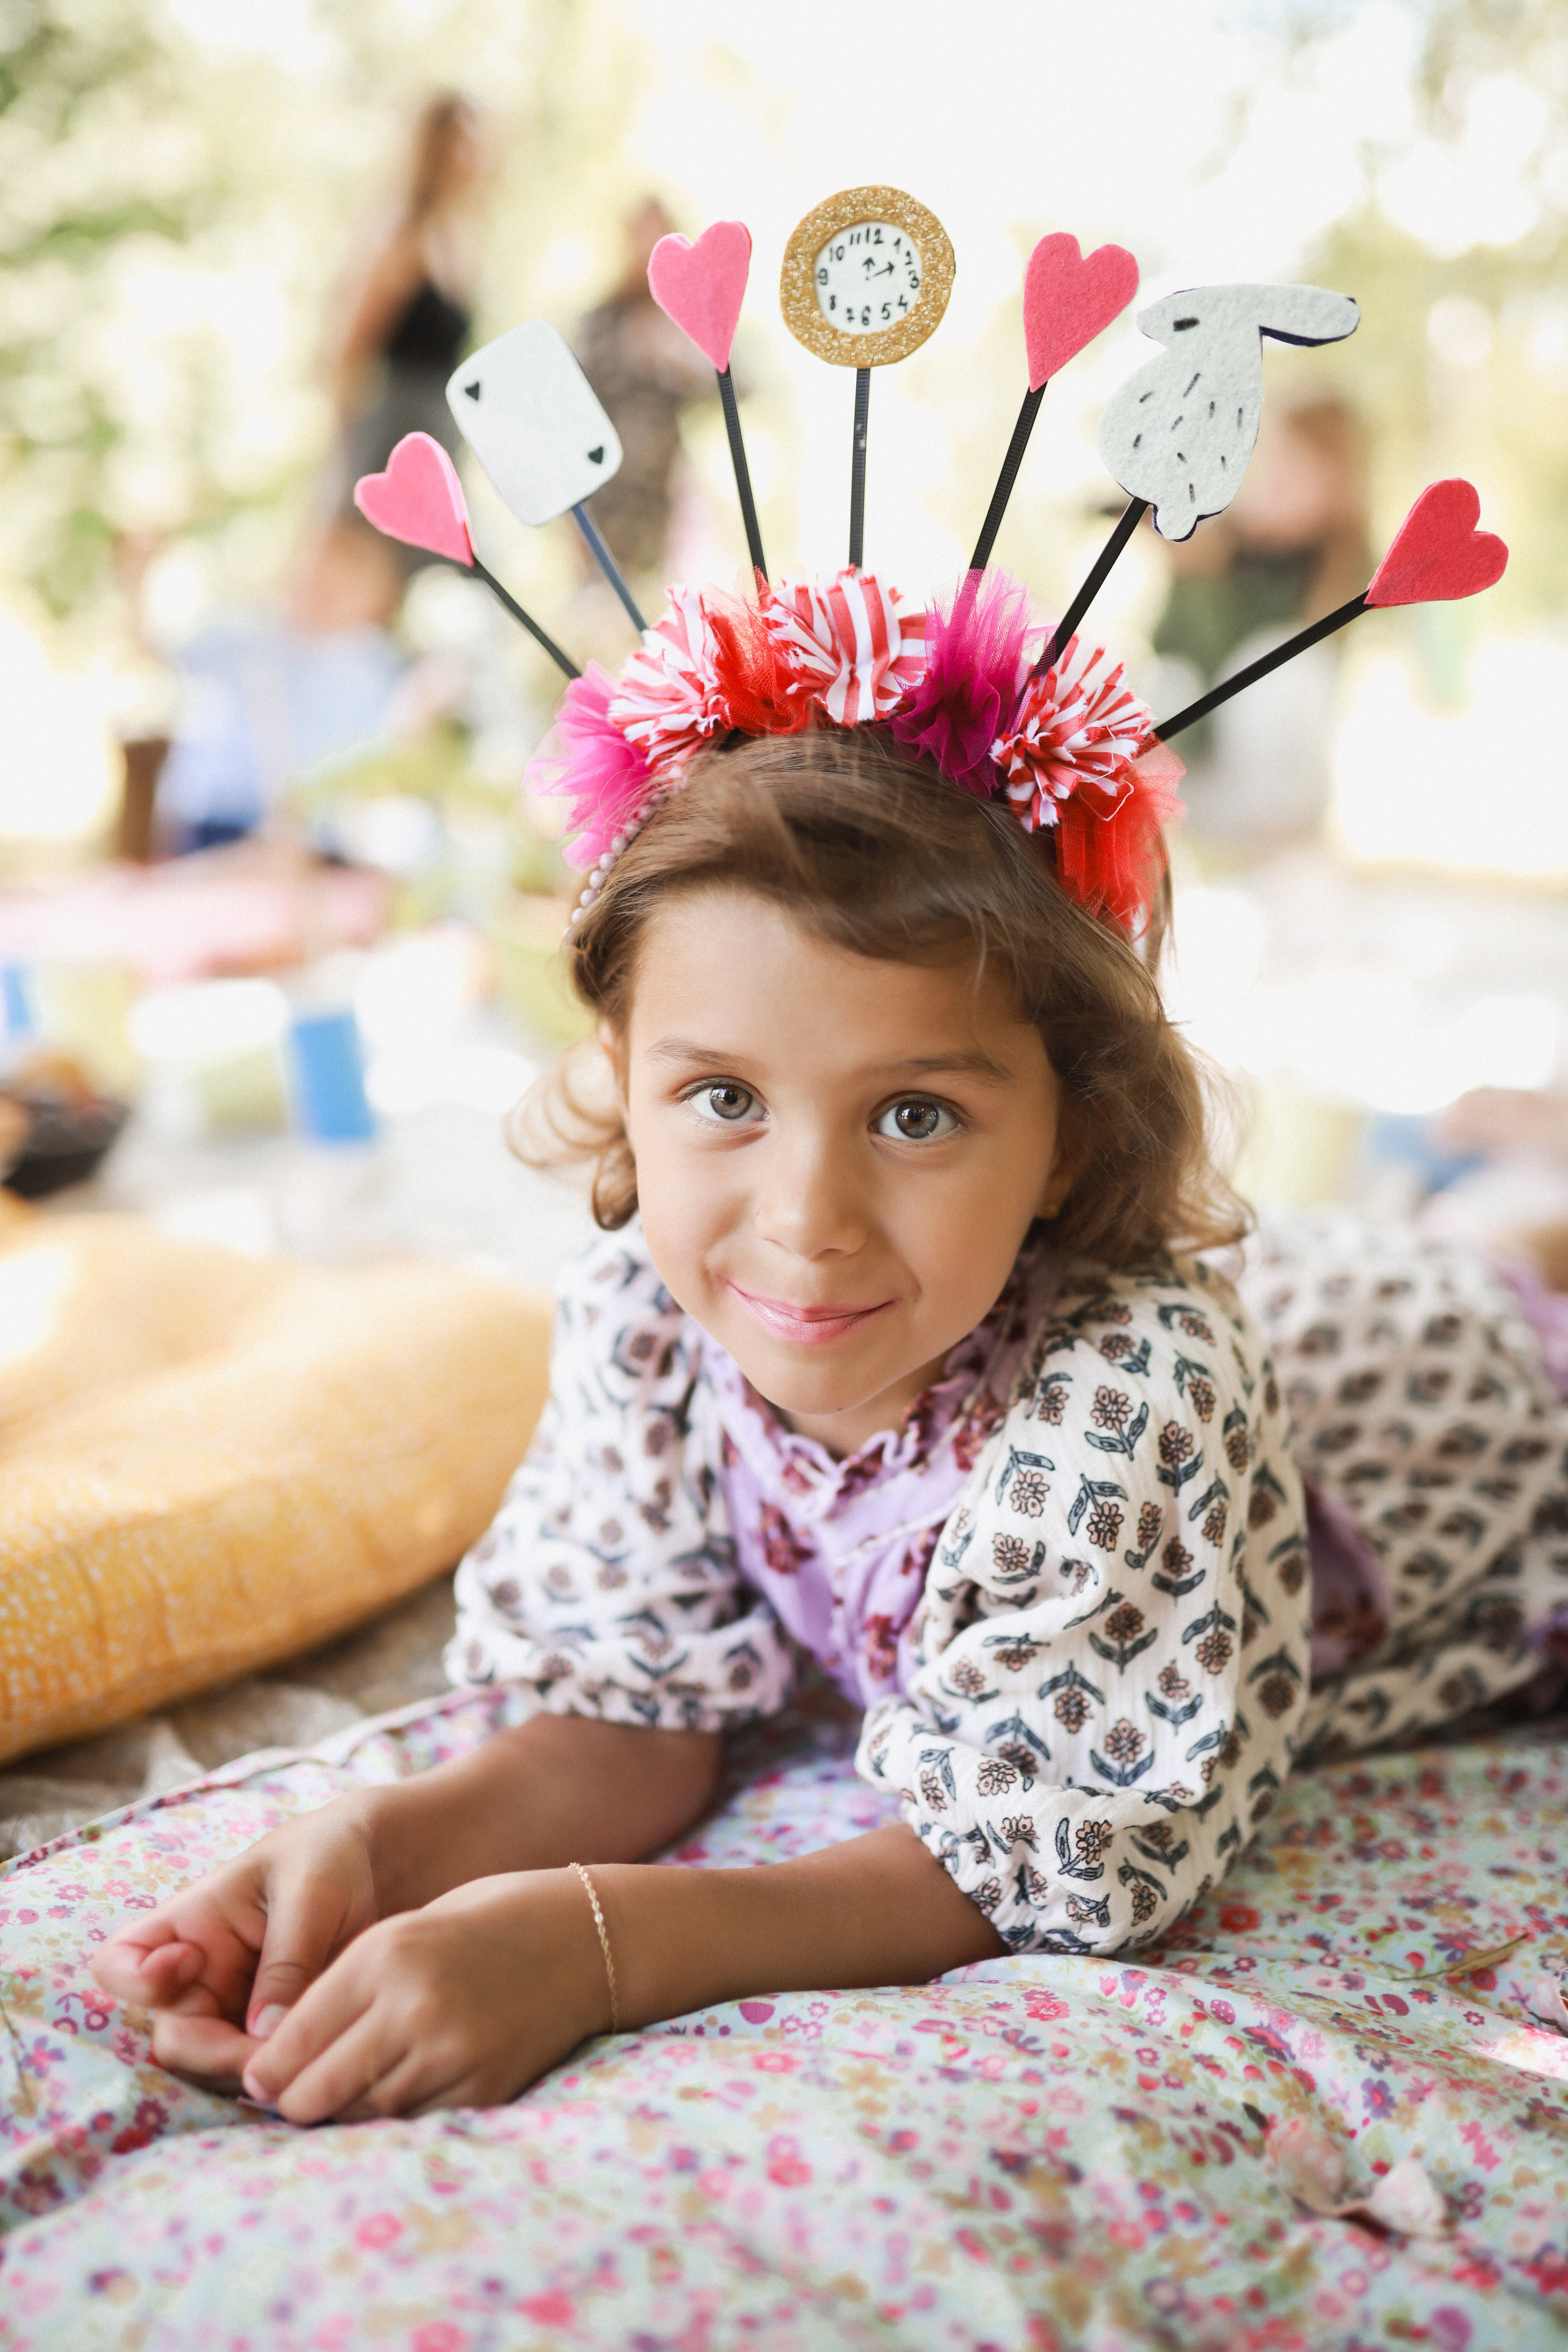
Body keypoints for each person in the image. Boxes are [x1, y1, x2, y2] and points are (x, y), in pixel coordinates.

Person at [92, 570, 1567, 2127]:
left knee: (1492, 1268)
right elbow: (636, 1723)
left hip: (1465, 1404)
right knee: (1444, 1235)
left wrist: (586, 1948)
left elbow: (1020, 1859)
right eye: (722, 1098)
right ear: (620, 1075)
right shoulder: (647, 1318)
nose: (804, 1223)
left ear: (1069, 1137)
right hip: (1311, 1321)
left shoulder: (1134, 1412)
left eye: (914, 1115)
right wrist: (386, 1849)